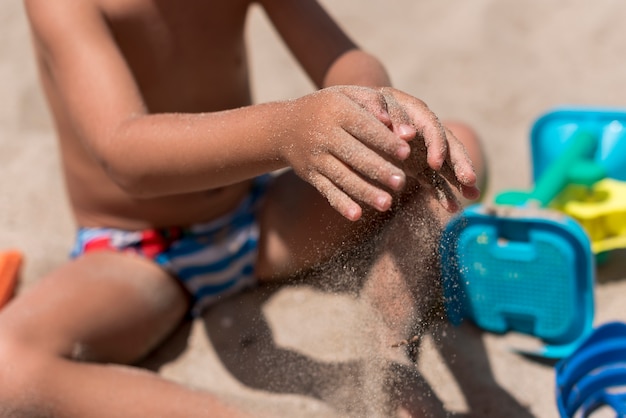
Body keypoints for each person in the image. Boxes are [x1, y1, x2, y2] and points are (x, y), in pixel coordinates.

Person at [0, 0, 484, 416]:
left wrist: (375, 107)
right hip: (139, 251)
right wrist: (289, 129)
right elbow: (124, 154)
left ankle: (386, 347)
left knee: (451, 152)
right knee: (8, 365)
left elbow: (343, 57)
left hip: (259, 220)